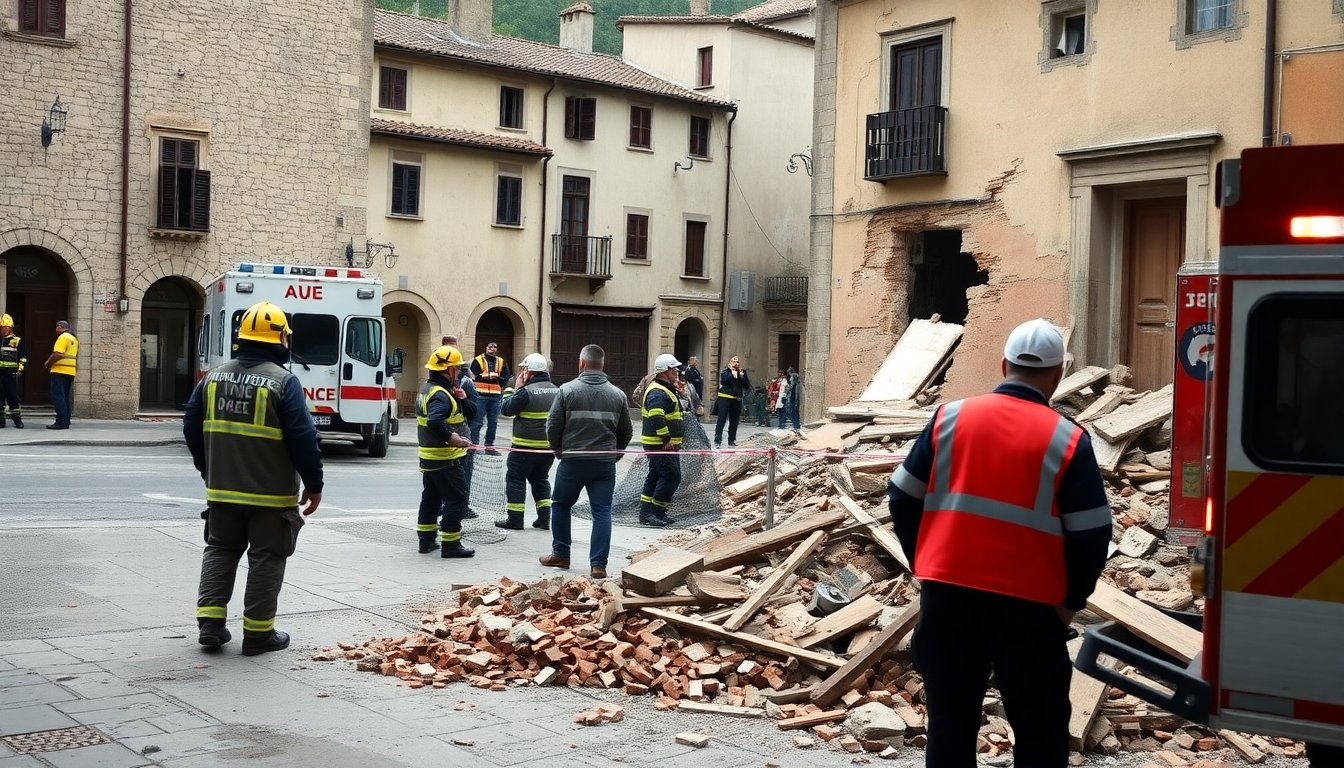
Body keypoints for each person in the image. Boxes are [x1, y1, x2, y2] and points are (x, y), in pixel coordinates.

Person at [887, 319, 1111, 768]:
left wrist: (924, 563)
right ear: (1059, 375)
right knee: (1041, 733)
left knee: (950, 730)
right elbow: (1091, 535)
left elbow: (900, 496)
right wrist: (1070, 601)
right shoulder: (1068, 440)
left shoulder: (950, 418)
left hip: (949, 603)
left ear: (1004, 364)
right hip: (1029, 614)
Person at [184, 301, 322, 656]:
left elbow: (191, 425)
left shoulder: (212, 378)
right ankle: (259, 634)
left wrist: (206, 468)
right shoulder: (283, 382)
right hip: (270, 496)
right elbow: (303, 438)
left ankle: (211, 625)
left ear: (241, 337)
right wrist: (314, 483)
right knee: (267, 557)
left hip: (222, 490)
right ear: (281, 340)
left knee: (220, 548)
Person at [540, 344, 632, 580]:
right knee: (602, 511)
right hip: (604, 464)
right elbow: (626, 431)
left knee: (560, 505)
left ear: (581, 363)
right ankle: (598, 565)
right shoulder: (618, 394)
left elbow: (552, 426)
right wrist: (616, 452)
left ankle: (561, 553)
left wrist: (557, 449)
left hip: (573, 460)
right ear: (602, 365)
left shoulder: (567, 390)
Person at [415, 345, 476, 558]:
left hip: (430, 458)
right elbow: (434, 422)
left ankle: (426, 541)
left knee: (430, 498)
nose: (458, 373)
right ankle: (451, 544)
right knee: (457, 500)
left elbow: (471, 412)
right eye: (457, 369)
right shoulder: (440, 395)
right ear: (448, 370)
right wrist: (454, 439)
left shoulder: (427, 389)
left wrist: (462, 397)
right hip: (446, 459)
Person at [497, 353, 559, 531]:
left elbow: (506, 410)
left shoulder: (525, 392)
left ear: (528, 372)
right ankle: (545, 518)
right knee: (540, 480)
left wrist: (513, 388)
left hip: (523, 448)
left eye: (523, 369)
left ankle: (515, 520)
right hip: (547, 449)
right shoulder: (556, 390)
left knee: (515, 480)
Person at [638, 354, 684, 528]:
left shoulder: (665, 388)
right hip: (660, 444)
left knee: (655, 475)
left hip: (662, 444)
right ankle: (655, 511)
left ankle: (647, 512)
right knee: (672, 476)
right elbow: (656, 416)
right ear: (666, 371)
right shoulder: (658, 391)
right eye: (674, 369)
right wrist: (666, 439)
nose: (677, 372)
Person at [444, 334, 482, 518]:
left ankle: (462, 507)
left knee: (464, 474)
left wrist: (471, 438)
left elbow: (474, 411)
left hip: (463, 438)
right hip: (447, 440)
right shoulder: (435, 384)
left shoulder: (465, 379)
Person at [470, 341, 510, 453]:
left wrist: (497, 379)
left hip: (495, 396)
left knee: (493, 422)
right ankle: (474, 445)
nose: (492, 348)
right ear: (486, 348)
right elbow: (473, 375)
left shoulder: (501, 361)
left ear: (497, 349)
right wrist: (486, 376)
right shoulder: (478, 360)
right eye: (490, 346)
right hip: (480, 395)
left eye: (494, 347)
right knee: (477, 421)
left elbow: (506, 376)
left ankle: (489, 445)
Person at [45, 320, 78, 430]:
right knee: (65, 397)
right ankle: (66, 421)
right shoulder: (74, 338)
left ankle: (60, 422)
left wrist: (48, 363)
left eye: (57, 326)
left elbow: (58, 354)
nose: (56, 328)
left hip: (59, 371)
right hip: (70, 372)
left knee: (58, 396)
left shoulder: (62, 337)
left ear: (61, 327)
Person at [714, 355, 750, 448]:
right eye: (734, 361)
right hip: (725, 398)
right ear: (730, 363)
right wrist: (733, 374)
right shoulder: (726, 371)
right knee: (721, 419)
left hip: (736, 399)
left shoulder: (742, 372)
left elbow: (746, 385)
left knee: (734, 421)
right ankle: (717, 440)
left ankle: (732, 440)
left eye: (737, 361)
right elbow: (724, 381)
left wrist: (741, 377)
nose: (736, 363)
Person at [0, 314, 26, 428]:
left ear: (10, 328)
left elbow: (23, 357)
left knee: (13, 397)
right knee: (0, 398)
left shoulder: (17, 340)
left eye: (4, 327)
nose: (2, 330)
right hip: (0, 373)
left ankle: (17, 420)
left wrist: (20, 369)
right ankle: (1, 420)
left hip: (11, 373)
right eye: (1, 328)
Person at [778, 366, 802, 433]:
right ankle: (795, 425)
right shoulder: (795, 376)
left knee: (792, 412)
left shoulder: (794, 376)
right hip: (793, 397)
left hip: (793, 398)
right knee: (792, 412)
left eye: (788, 372)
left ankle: (796, 426)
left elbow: (791, 387)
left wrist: (786, 393)